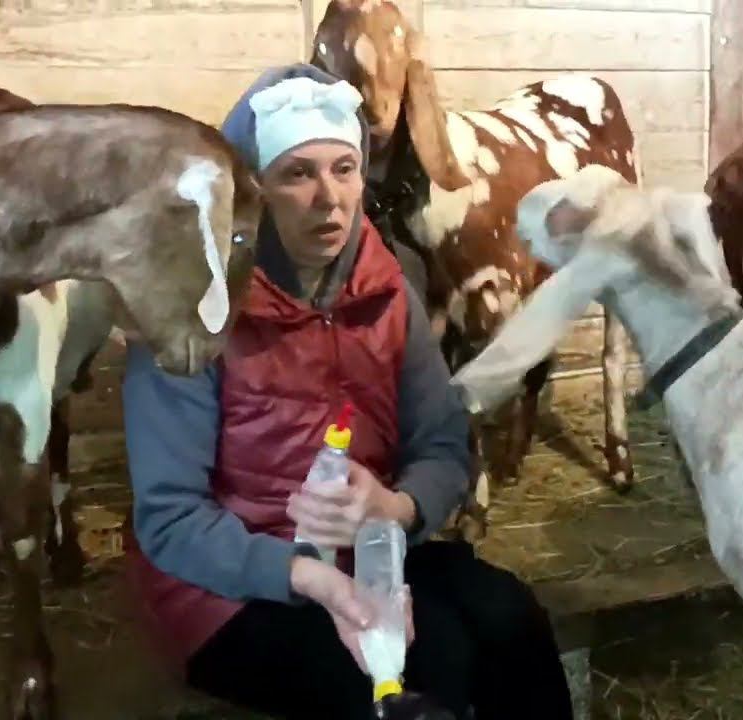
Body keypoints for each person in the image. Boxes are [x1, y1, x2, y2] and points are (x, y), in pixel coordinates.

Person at [121, 63, 574, 720]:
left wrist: (397, 507)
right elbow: (170, 520)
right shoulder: (195, 310)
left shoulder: (388, 292)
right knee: (429, 665)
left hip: (367, 554)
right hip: (229, 584)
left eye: (344, 168)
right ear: (252, 192)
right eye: (297, 173)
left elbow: (443, 444)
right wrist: (312, 578)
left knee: (510, 618)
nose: (328, 197)